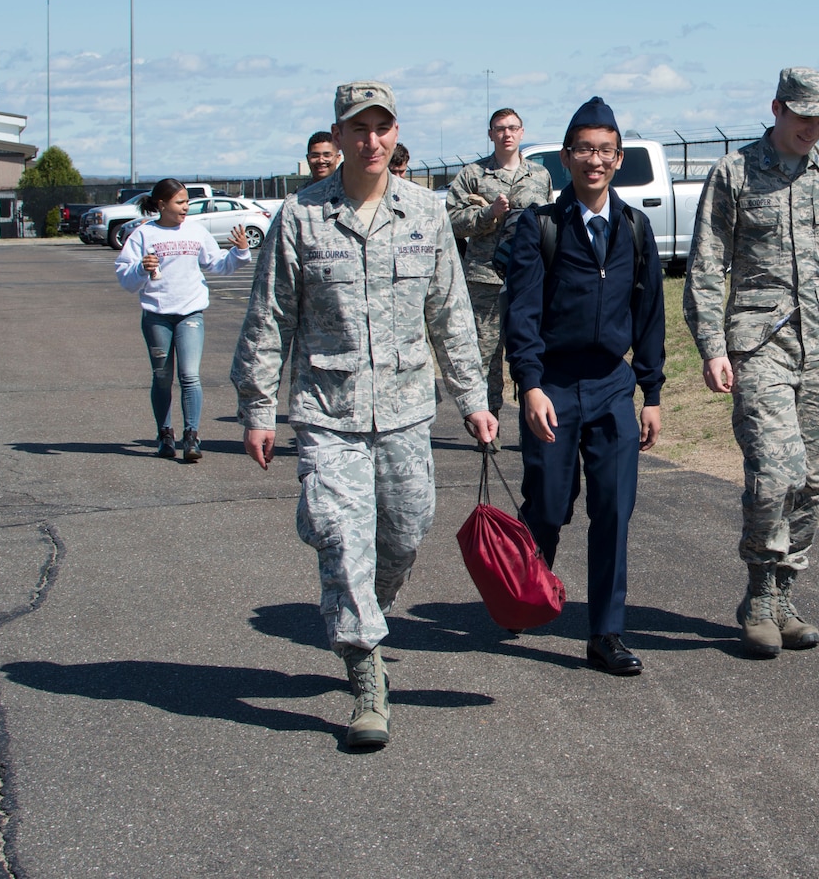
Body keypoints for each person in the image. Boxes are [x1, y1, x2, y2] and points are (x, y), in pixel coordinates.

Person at [232, 81, 496, 749]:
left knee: (406, 532)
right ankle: (367, 678)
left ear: (394, 133)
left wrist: (473, 400)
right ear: (339, 135)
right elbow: (270, 317)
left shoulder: (427, 212)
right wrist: (258, 408)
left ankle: (366, 609)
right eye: (358, 129)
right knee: (343, 538)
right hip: (329, 410)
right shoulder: (302, 216)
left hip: (407, 408)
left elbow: (450, 312)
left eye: (382, 128)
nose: (371, 140)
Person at [683, 67, 819, 658]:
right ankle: (757, 593)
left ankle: (784, 594)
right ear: (776, 108)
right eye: (803, 115)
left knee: (816, 479)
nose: (813, 127)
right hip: (759, 345)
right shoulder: (735, 173)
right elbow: (706, 267)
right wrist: (712, 346)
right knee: (776, 472)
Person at [502, 97, 664, 676]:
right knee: (547, 503)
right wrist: (530, 384)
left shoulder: (635, 228)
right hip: (553, 385)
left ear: (618, 159)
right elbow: (520, 312)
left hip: (612, 386)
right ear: (566, 158)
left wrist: (653, 393)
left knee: (614, 509)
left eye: (604, 151)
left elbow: (648, 315)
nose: (594, 161)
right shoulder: (539, 225)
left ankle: (606, 633)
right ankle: (528, 588)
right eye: (583, 150)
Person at [116, 178, 251, 463]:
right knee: (162, 377)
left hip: (190, 313)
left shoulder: (196, 231)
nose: (185, 208)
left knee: (189, 376)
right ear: (162, 205)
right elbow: (125, 279)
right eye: (180, 202)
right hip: (157, 316)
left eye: (187, 202)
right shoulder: (143, 235)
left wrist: (239, 252)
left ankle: (191, 436)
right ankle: (165, 434)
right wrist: (141, 268)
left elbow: (218, 265)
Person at [447, 108, 553, 420]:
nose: (506, 134)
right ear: (490, 134)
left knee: (529, 349)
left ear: (522, 132)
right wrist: (487, 214)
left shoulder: (540, 175)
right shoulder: (472, 175)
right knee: (486, 353)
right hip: (486, 278)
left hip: (528, 278)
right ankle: (487, 421)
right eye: (499, 129)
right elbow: (451, 221)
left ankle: (531, 421)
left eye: (512, 128)